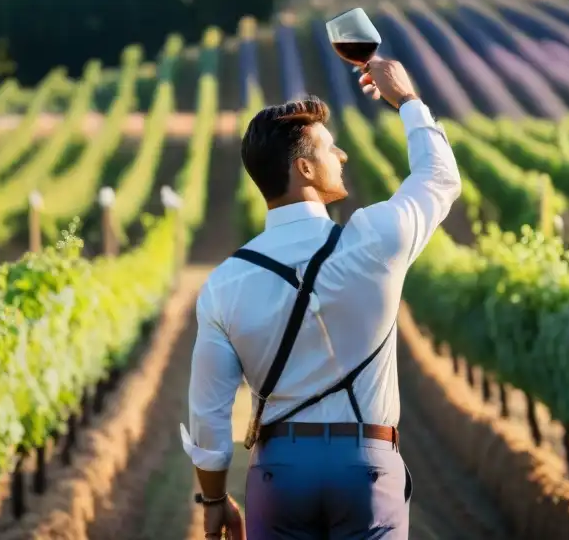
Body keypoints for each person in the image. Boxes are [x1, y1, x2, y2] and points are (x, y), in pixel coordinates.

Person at [181, 58, 462, 539]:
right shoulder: (373, 240)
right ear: (305, 168)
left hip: (279, 474)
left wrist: (213, 499)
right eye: (332, 149)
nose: (344, 156)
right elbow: (439, 179)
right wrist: (408, 101)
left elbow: (208, 415)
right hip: (366, 468)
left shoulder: (224, 283)